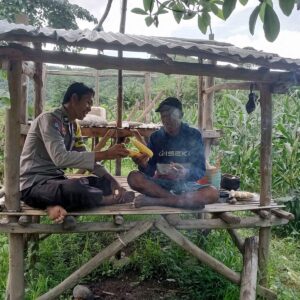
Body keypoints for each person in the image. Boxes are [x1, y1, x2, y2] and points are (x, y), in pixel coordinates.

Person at [20, 82, 131, 223]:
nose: (90, 108)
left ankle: (53, 206)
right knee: (76, 188)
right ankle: (108, 200)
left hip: (57, 182)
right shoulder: (49, 120)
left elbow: (86, 158)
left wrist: (112, 180)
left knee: (101, 183)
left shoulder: (73, 125)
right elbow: (61, 159)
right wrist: (106, 154)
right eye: (88, 102)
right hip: (34, 185)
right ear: (74, 99)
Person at [127, 97, 218, 209]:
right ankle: (178, 201)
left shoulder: (193, 135)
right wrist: (143, 165)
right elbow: (150, 171)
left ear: (181, 115)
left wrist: (185, 172)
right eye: (163, 116)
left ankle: (157, 201)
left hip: (186, 184)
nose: (166, 120)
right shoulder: (156, 137)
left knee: (213, 193)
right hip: (160, 184)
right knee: (133, 177)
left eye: (170, 115)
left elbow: (200, 170)